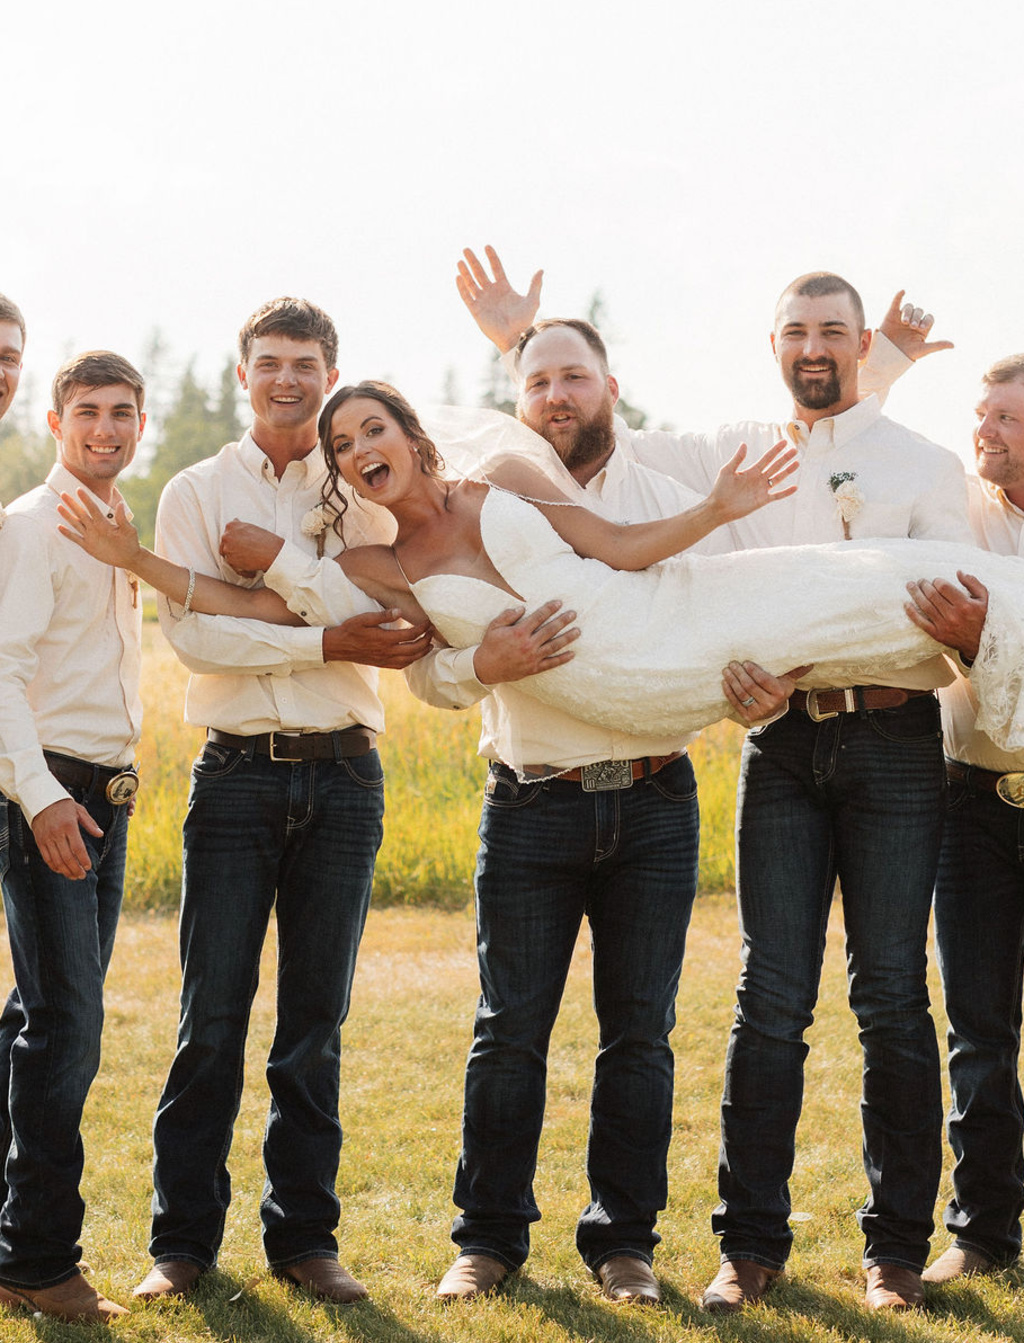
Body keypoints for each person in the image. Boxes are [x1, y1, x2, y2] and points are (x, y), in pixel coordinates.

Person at [129, 298, 436, 1307]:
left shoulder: (365, 489)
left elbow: (396, 622)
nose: (287, 379)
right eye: (269, 362)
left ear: (330, 369)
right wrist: (322, 633)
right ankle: (180, 1243)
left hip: (345, 774)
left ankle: (305, 1237)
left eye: (305, 362)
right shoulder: (194, 490)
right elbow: (197, 638)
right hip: (235, 775)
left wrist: (294, 585)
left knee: (314, 1019)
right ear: (242, 372)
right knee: (209, 1016)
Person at [0, 349, 146, 1324]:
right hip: (49, 792)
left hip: (108, 793)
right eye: (87, 410)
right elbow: (1, 667)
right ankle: (40, 1257)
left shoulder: (119, 523)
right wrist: (43, 796)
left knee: (36, 1019)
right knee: (68, 1028)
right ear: (56, 423)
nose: (105, 427)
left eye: (122, 411)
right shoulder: (28, 526)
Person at [905, 355, 1024, 1286]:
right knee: (979, 1030)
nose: (986, 431)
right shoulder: (958, 516)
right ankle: (983, 1231)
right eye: (982, 414)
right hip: (971, 805)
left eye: (1008, 418)